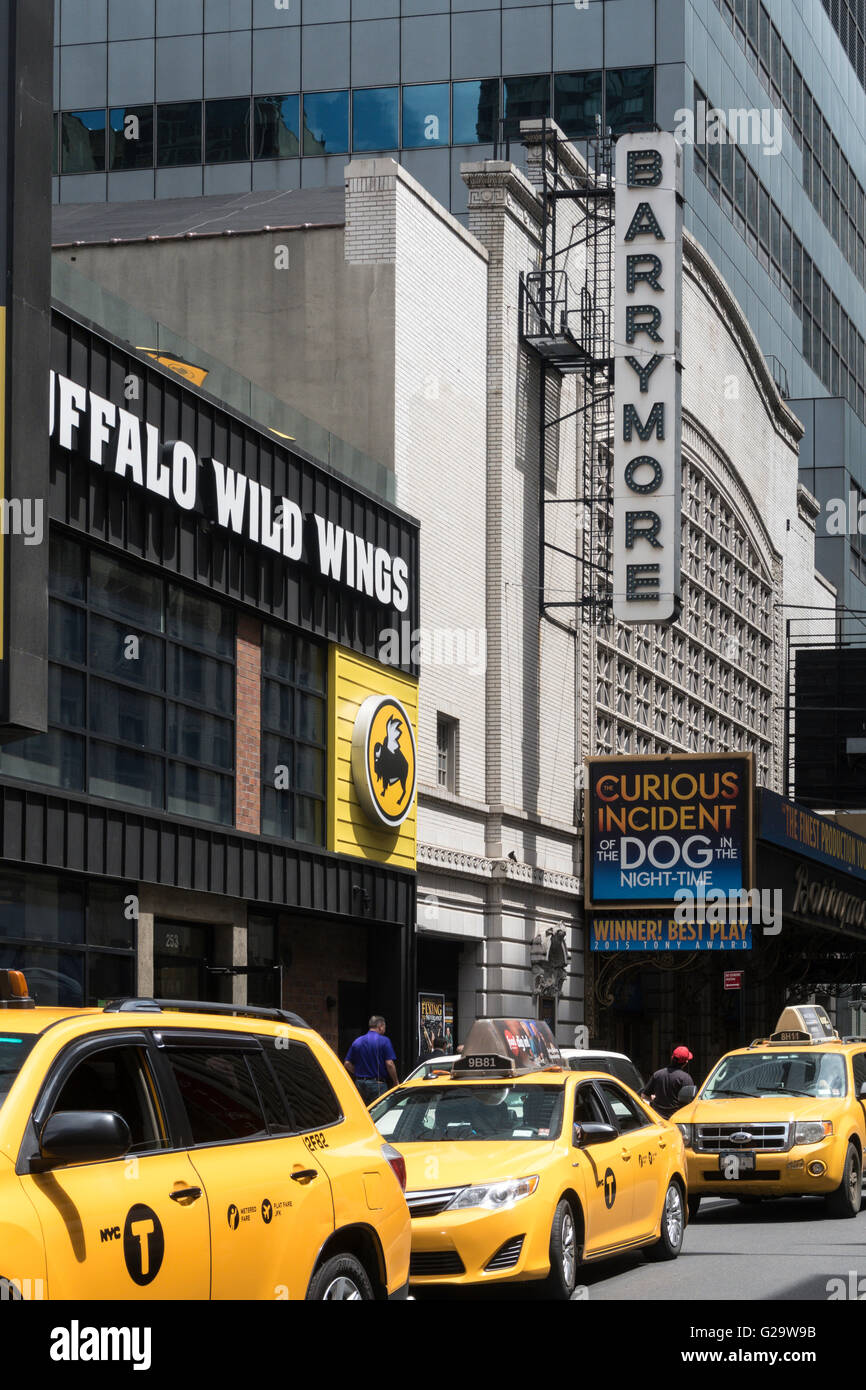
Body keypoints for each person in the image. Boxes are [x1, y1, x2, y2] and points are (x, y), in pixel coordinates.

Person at [344, 1015, 398, 1104]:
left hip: (360, 1084)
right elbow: (389, 1064)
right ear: (380, 1026)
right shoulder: (384, 1041)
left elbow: (347, 1063)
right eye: (384, 1027)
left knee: (362, 1112)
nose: (385, 1029)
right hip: (377, 1084)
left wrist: (358, 1073)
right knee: (380, 1113)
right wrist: (395, 1081)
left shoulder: (357, 1041)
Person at [641, 1045, 694, 1119]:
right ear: (686, 1062)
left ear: (672, 1057)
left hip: (657, 1119)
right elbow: (690, 1103)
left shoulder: (657, 1074)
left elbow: (644, 1096)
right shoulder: (686, 1078)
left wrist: (653, 1099)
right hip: (676, 1119)